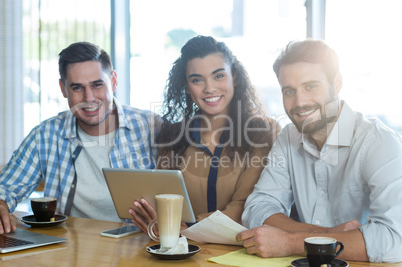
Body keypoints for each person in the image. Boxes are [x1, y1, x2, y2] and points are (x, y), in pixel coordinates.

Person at [236, 39, 402, 262]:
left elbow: (394, 240)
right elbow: (258, 207)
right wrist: (326, 235)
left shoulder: (380, 142)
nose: (300, 102)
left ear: (337, 83)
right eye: (289, 91)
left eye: (310, 86)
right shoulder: (288, 137)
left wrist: (290, 242)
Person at [0, 42, 158, 233]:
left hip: (138, 249)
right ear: (63, 88)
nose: (89, 98)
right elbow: (6, 188)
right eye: (77, 88)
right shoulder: (45, 135)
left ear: (114, 81)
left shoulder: (151, 128)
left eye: (97, 85)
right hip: (68, 252)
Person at [129, 35, 280, 233]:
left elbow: (244, 205)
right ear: (187, 87)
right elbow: (163, 199)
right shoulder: (173, 137)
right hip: (183, 253)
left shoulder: (262, 133)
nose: (209, 88)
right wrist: (154, 219)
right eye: (197, 80)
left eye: (218, 76)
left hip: (238, 253)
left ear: (234, 76)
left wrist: (186, 227)